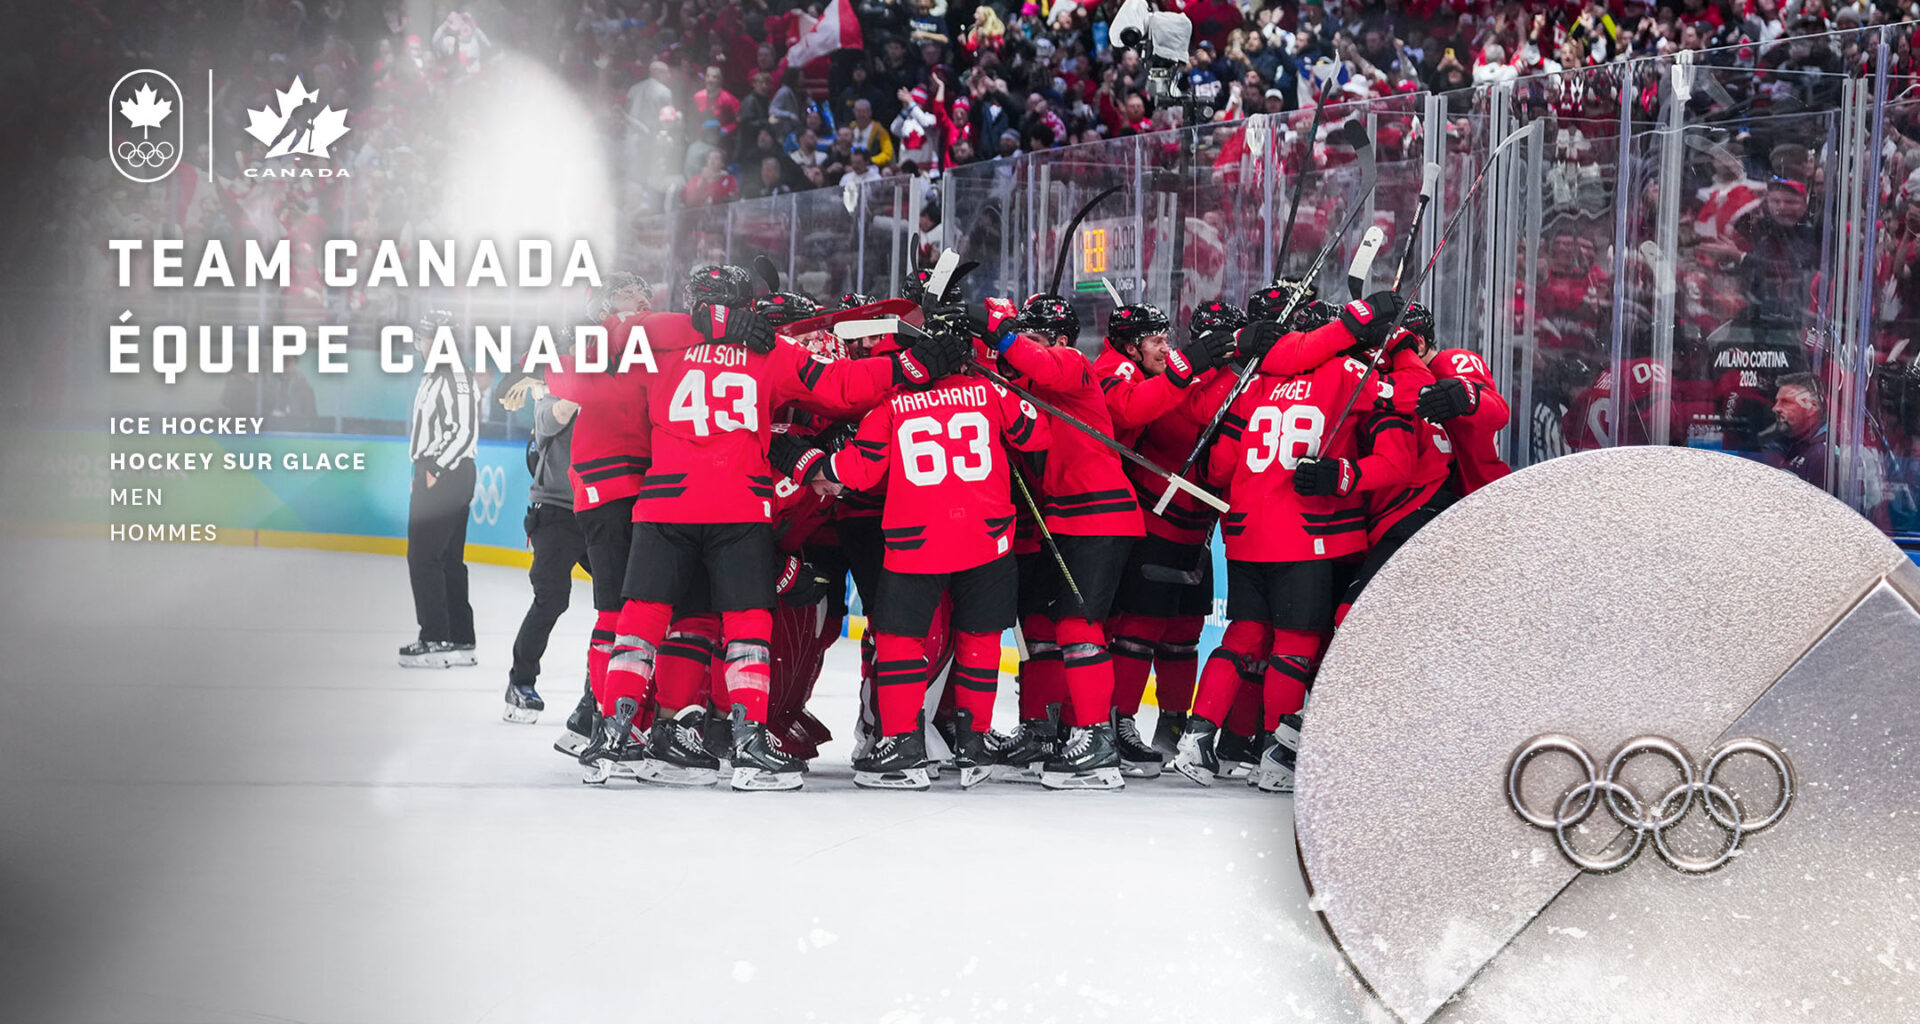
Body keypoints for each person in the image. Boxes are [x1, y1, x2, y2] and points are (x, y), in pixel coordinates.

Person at [591, 265, 968, 792]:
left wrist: (695, 325)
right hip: (737, 505)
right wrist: (909, 365)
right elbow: (843, 389)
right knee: (748, 628)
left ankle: (612, 735)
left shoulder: (659, 336)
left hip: (665, 504)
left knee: (641, 620)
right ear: (747, 305)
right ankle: (749, 746)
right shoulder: (771, 350)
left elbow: (596, 338)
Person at [782, 327, 1051, 790]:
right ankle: (975, 742)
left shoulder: (892, 403)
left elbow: (859, 473)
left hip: (918, 538)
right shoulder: (987, 392)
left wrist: (806, 461)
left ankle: (903, 746)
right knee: (980, 639)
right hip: (987, 536)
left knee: (899, 640)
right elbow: (1036, 434)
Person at [496, 375, 591, 724]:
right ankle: (521, 682)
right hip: (555, 511)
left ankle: (601, 692)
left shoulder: (614, 387)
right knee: (552, 597)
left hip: (600, 508)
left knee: (622, 600)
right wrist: (583, 388)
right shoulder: (552, 393)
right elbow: (553, 420)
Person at [401, 309, 479, 669]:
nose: (418, 343)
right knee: (446, 558)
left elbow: (463, 431)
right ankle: (459, 638)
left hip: (446, 471)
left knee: (424, 556)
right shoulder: (435, 375)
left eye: (423, 336)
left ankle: (434, 636)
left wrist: (433, 469)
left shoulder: (453, 375)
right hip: (439, 471)